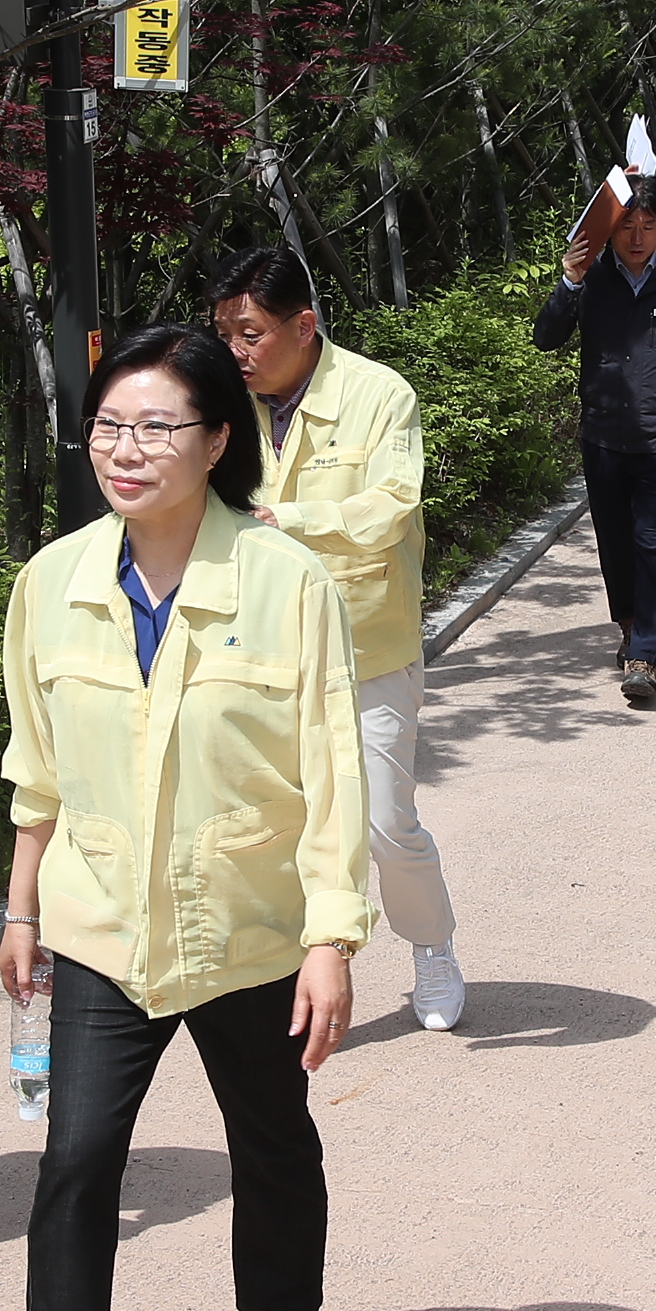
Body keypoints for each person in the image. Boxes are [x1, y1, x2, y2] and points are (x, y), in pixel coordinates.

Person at [0, 325, 372, 1311]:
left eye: (156, 426)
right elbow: (34, 766)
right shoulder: (52, 581)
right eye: (108, 426)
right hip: (103, 924)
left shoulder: (286, 581)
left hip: (247, 920)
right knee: (77, 1158)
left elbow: (332, 763)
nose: (126, 449)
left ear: (217, 440)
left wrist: (332, 934)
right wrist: (22, 902)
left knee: (272, 1136)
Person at [211, 248, 469, 1034]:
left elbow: (392, 506)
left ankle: (432, 946)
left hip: (367, 643)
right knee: (277, 824)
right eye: (224, 333)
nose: (235, 352)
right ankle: (302, 980)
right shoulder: (223, 401)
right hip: (257, 647)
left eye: (250, 334)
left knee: (385, 821)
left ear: (304, 326)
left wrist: (284, 524)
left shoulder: (378, 394)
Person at [534, 175, 656, 707]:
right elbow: (546, 338)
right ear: (610, 229)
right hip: (603, 435)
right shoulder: (592, 279)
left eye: (648, 225)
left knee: (652, 542)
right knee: (616, 545)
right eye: (627, 226)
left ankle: (646, 653)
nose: (638, 237)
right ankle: (629, 622)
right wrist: (570, 282)